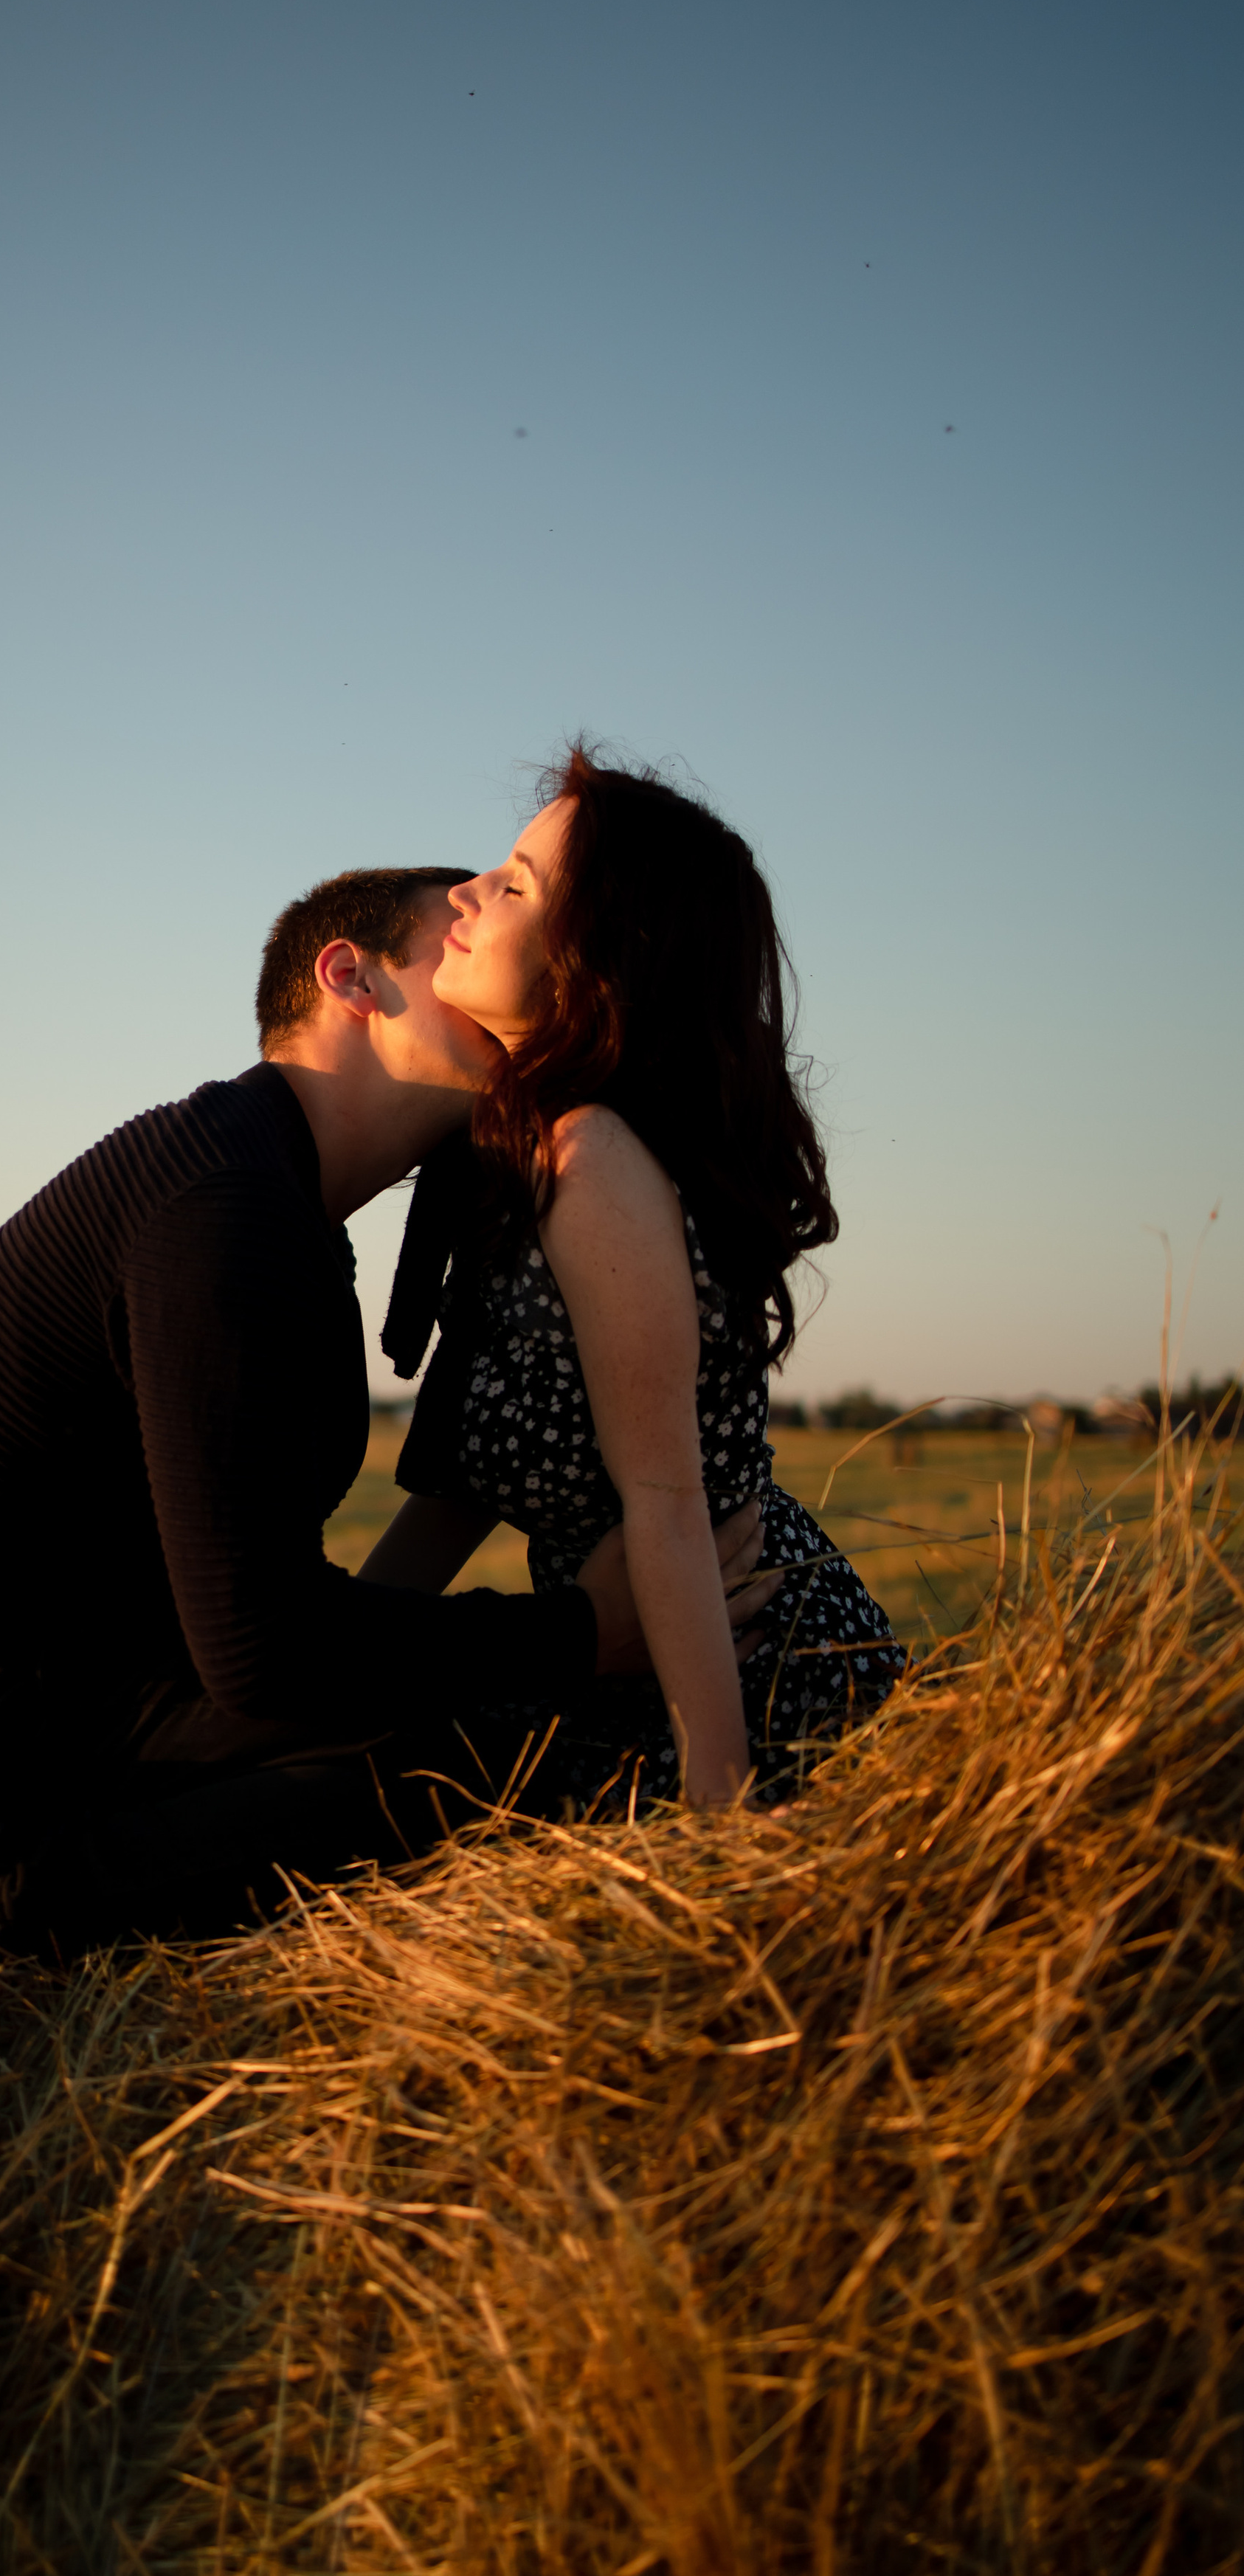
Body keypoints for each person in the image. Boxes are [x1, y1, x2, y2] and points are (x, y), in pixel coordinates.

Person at [0, 861, 778, 1955]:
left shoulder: (272, 1192)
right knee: (458, 1771)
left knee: (471, 1738)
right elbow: (262, 1649)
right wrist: (581, 1634)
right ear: (353, 978)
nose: (502, 965)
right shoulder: (223, 1204)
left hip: (33, 1698)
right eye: (451, 941)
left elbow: (263, 1624)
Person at [362, 751, 902, 1812]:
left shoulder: (593, 1154)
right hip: (612, 1666)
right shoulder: (518, 1156)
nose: (466, 893)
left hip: (741, 1680)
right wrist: (308, 1672)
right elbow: (462, 1492)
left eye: (515, 886)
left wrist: (720, 1815)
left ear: (598, 962)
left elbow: (665, 1502)